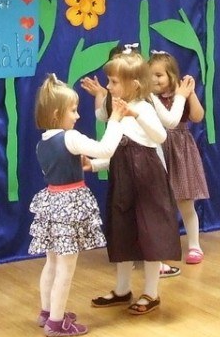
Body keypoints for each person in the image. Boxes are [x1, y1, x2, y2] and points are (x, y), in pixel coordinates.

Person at [28, 74, 129, 337]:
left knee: (51, 262)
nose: (77, 116)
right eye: (73, 111)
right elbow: (105, 149)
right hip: (69, 205)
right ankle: (56, 322)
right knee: (66, 266)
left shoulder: (42, 142)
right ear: (58, 114)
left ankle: (47, 312)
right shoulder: (70, 138)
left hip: (52, 203)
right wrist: (115, 120)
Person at [88, 51, 181, 315]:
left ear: (134, 84)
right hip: (123, 181)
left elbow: (160, 136)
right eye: (109, 81)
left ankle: (151, 292)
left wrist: (136, 115)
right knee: (122, 232)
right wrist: (94, 164)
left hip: (148, 182)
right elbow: (112, 149)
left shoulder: (143, 108)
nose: (108, 87)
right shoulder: (117, 111)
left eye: (114, 82)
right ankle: (122, 289)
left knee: (150, 234)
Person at [148, 51, 209, 265]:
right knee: (159, 205)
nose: (154, 79)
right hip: (157, 149)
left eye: (159, 75)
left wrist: (189, 93)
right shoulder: (149, 99)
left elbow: (197, 116)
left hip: (180, 149)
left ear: (172, 75)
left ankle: (194, 245)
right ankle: (160, 247)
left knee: (185, 202)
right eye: (150, 75)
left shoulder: (179, 95)